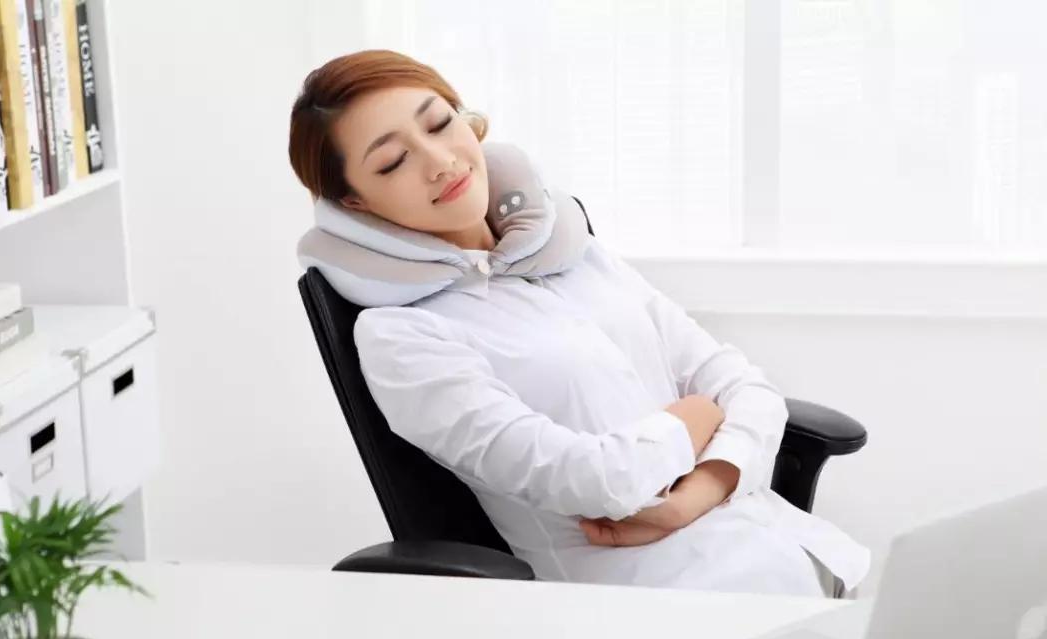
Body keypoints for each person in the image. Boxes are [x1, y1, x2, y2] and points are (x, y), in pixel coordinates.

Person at [288, 49, 870, 598]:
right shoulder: (402, 336)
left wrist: (704, 487)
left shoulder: (573, 254)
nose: (440, 163)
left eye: (439, 124)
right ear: (355, 203)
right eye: (393, 161)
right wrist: (696, 415)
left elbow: (745, 386)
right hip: (665, 604)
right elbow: (596, 481)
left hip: (805, 561)